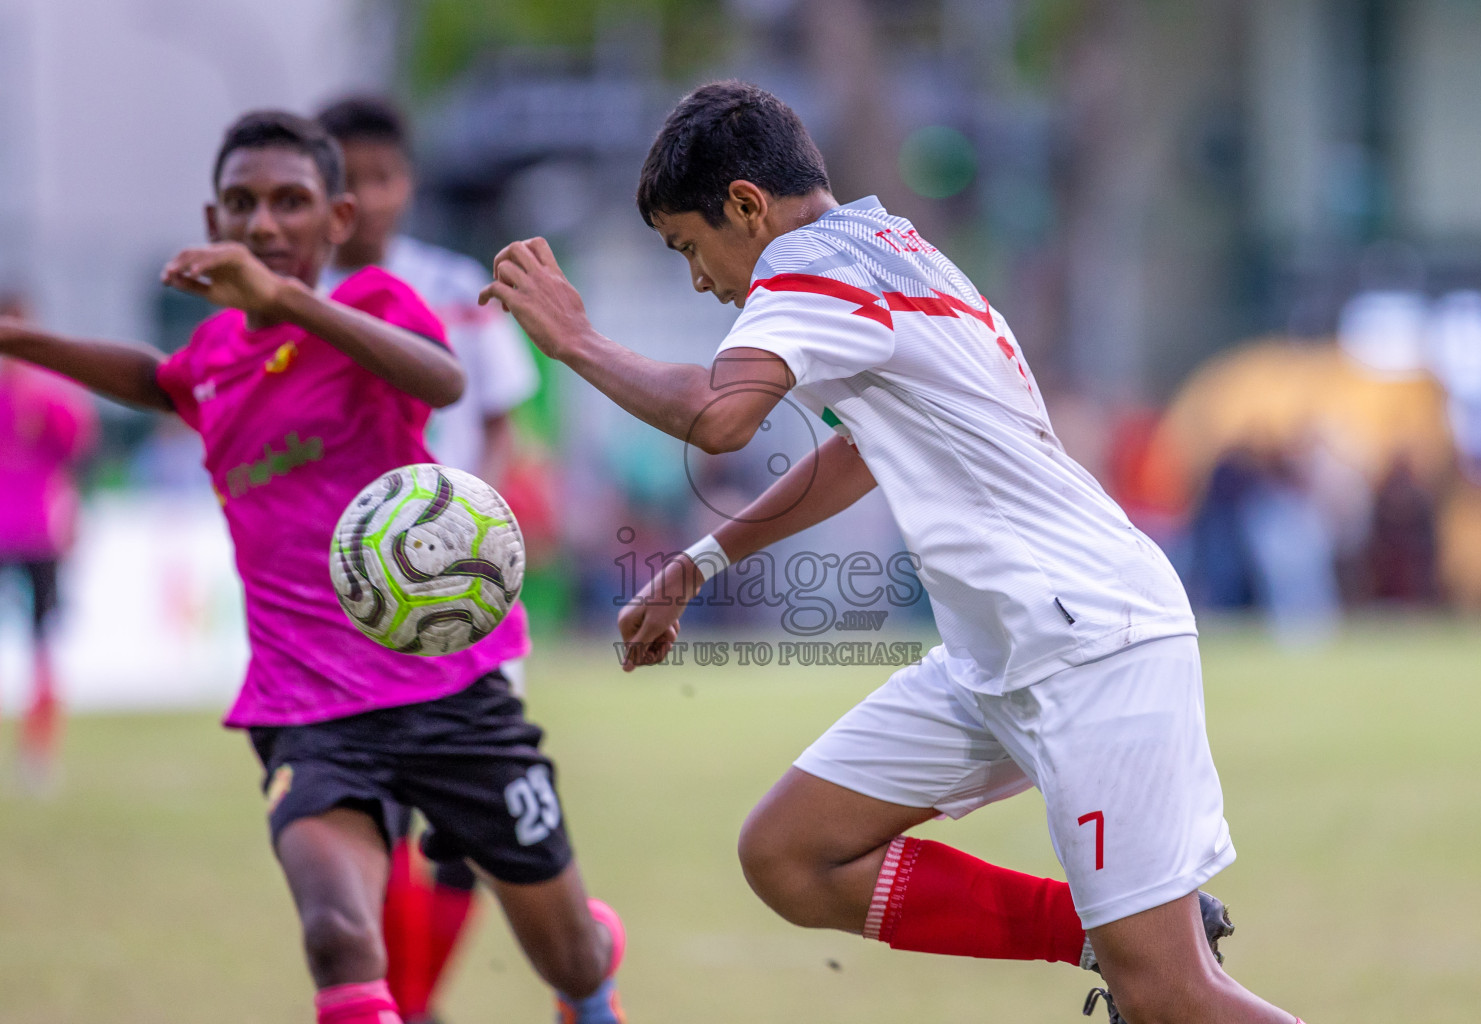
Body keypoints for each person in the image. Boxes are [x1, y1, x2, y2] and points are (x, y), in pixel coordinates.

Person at [480, 81, 1307, 1024]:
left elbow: (719, 416)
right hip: (999, 652)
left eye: (689, 248)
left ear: (747, 206)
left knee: (1171, 997)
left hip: (1090, 642)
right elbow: (862, 453)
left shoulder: (811, 269)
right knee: (789, 853)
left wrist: (575, 340)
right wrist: (694, 564)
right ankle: (1108, 936)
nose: (701, 279)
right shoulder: (887, 249)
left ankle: (1145, 950)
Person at [0, 111, 626, 1024]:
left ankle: (594, 963)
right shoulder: (212, 358)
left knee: (568, 955)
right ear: (214, 220)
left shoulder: (373, 306)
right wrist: (15, 341)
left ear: (336, 221)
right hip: (309, 708)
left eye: (290, 202)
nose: (264, 224)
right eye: (243, 204)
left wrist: (289, 299)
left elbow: (442, 382)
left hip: (449, 689)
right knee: (338, 935)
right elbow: (154, 378)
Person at [315, 94, 543, 1024]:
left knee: (464, 819)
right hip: (344, 595)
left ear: (406, 182)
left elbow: (500, 425)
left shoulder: (457, 288)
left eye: (382, 176)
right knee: (372, 813)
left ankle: (415, 1000)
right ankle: (399, 1004)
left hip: (461, 589)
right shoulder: (293, 296)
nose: (366, 198)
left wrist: (483, 532)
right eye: (345, 179)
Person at [0, 291, 97, 792]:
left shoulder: (49, 389)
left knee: (42, 646)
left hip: (38, 532)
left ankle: (38, 752)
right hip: (20, 530)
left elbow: (76, 444)